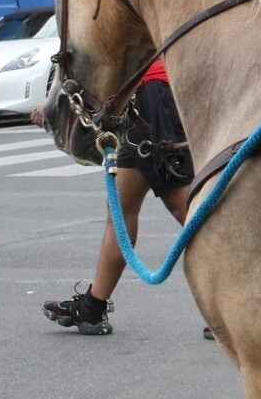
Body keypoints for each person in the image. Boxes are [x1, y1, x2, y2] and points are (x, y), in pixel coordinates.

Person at [41, 59, 198, 336]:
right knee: (121, 213)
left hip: (153, 97)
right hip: (139, 101)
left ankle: (242, 305)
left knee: (186, 209)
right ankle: (93, 307)